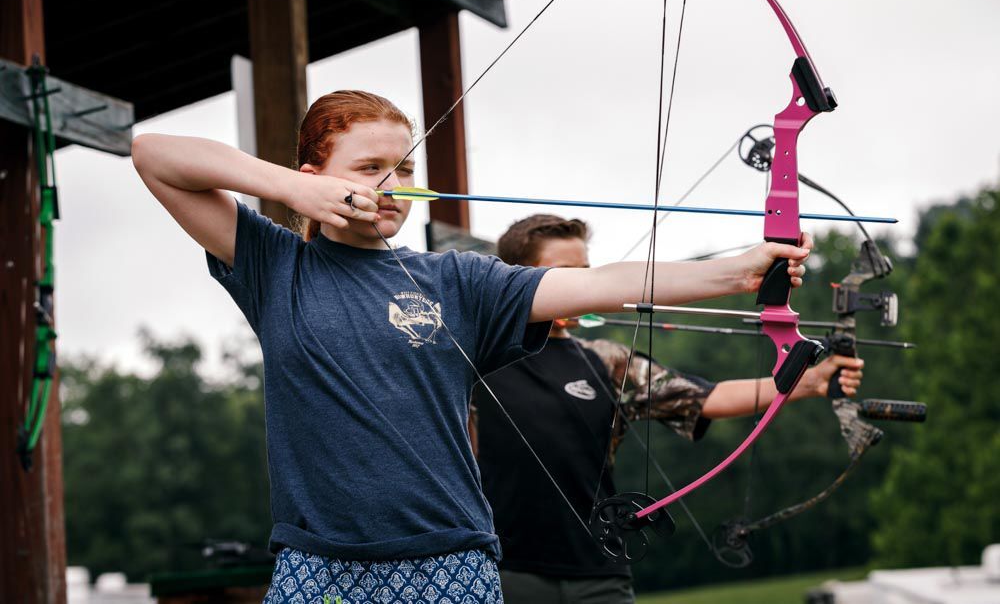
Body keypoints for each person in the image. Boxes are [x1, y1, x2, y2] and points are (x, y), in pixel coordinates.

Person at [130, 90, 813, 604]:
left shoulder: (457, 281)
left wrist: (738, 270)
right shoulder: (276, 268)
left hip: (447, 560)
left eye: (404, 168)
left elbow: (602, 283)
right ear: (317, 173)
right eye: (370, 168)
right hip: (318, 564)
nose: (392, 186)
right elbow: (154, 155)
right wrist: (292, 190)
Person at [473, 214, 863, 604]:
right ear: (516, 278)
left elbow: (706, 398)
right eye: (563, 274)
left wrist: (810, 381)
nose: (579, 284)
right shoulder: (474, 358)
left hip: (598, 570)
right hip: (503, 571)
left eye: (585, 272)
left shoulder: (606, 361)